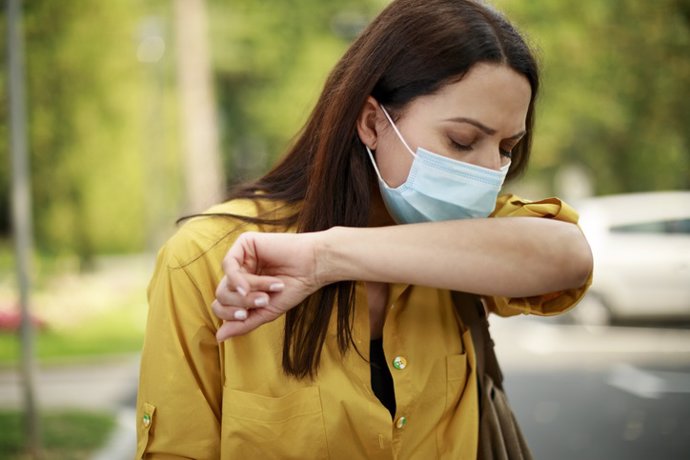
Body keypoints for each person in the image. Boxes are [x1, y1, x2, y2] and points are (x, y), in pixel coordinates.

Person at [136, 0, 593, 458]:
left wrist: (328, 256)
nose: (488, 171)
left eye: (506, 147)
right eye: (462, 141)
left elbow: (569, 256)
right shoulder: (207, 259)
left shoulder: (471, 238)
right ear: (372, 121)